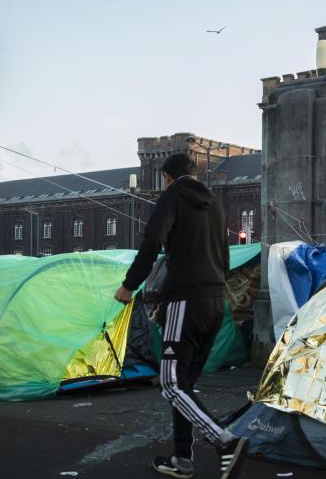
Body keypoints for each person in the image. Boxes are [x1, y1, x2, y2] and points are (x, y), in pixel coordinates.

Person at [114, 153, 248, 479]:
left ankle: (225, 441)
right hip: (215, 302)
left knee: (171, 384)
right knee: (185, 384)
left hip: (185, 301)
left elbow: (151, 243)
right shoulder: (214, 204)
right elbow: (224, 255)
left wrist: (129, 285)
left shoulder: (172, 197)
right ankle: (181, 460)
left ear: (168, 177)